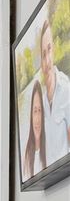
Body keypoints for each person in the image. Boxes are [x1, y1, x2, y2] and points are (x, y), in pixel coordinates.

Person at [37, 19, 70, 164]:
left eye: (49, 49)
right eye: (43, 54)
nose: (47, 60)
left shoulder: (66, 90)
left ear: (54, 49)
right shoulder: (41, 100)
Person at [24, 80, 47, 181]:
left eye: (39, 111)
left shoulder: (50, 147)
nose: (37, 119)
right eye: (34, 111)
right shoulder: (27, 155)